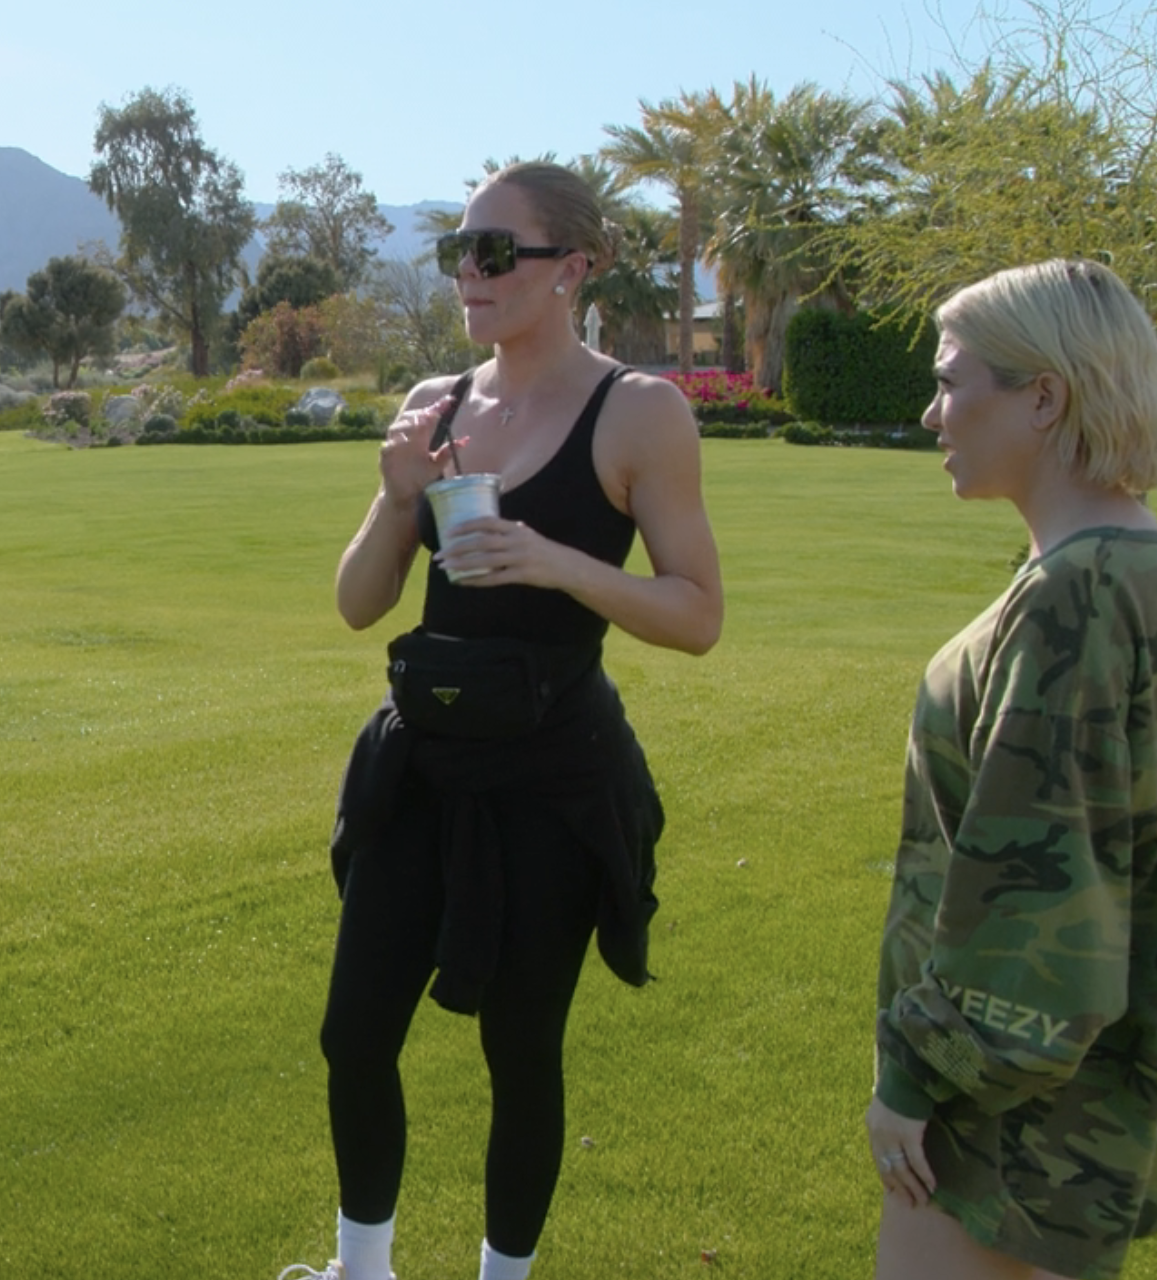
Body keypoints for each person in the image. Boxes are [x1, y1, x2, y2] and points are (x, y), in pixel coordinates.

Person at [283, 161, 722, 1280]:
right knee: (351, 1034)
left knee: (519, 1049)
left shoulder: (638, 412)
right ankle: (361, 1267)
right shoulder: (439, 402)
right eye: (457, 253)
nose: (466, 275)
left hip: (552, 780)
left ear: (570, 269)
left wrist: (551, 560)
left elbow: (695, 613)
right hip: (419, 767)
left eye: (492, 253)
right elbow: (355, 603)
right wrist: (395, 495)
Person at [867, 259, 1157, 1280]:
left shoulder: (1080, 592)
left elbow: (1045, 893)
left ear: (1042, 395)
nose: (933, 412)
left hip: (1013, 1120)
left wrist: (913, 1075)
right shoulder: (1129, 563)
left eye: (949, 381)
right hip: (1068, 1105)